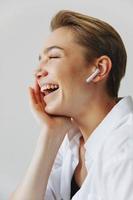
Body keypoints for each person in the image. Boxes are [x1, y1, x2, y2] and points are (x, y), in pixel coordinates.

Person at [10, 10, 133, 200]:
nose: (38, 72)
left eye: (53, 57)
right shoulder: (70, 144)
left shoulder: (127, 147)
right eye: (40, 60)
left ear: (99, 69)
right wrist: (49, 135)